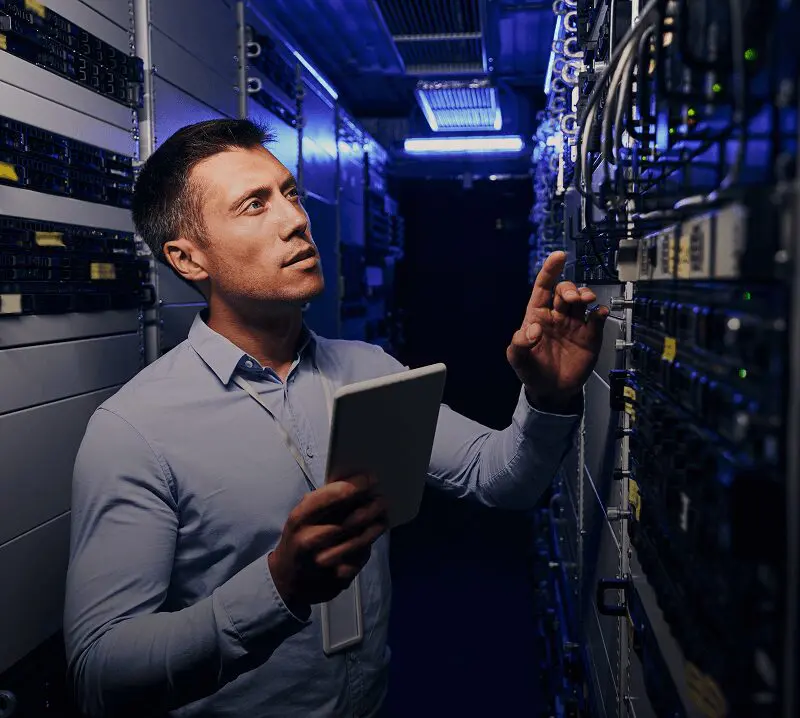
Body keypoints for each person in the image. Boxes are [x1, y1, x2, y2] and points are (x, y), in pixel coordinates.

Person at [63, 119, 608, 718]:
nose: (296, 219)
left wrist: (549, 398)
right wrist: (277, 588)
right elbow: (100, 674)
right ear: (188, 258)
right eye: (253, 205)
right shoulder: (135, 430)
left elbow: (501, 478)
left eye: (290, 193)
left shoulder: (367, 368)